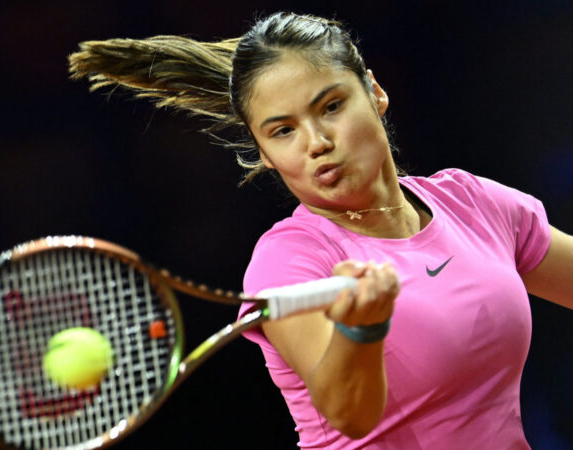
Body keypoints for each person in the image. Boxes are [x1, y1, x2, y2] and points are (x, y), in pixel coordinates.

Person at [69, 12, 573, 449]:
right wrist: (362, 329)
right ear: (265, 153)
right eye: (283, 130)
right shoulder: (289, 262)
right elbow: (349, 416)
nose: (316, 143)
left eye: (331, 106)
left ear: (373, 92)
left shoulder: (472, 203)